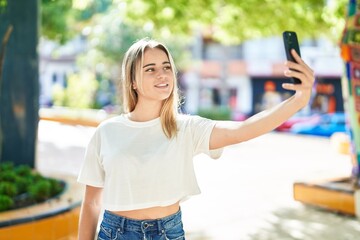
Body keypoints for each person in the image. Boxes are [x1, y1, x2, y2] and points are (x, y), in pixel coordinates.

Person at [77, 38, 315, 240]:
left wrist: (298, 101)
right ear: (132, 81)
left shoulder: (186, 127)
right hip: (116, 233)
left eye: (166, 66)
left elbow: (243, 130)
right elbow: (91, 204)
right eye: (150, 69)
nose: (162, 74)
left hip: (167, 232)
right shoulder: (107, 132)